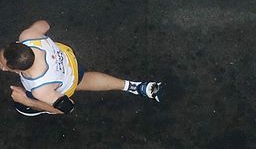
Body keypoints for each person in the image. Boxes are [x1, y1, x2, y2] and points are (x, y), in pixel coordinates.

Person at [0, 20, 160, 116]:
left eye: (2, 63)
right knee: (83, 79)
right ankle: (135, 86)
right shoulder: (28, 36)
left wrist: (27, 100)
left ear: (16, 70)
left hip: (59, 84)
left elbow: (66, 108)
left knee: (25, 104)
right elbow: (44, 24)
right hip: (70, 63)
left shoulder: (40, 90)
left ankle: (34, 106)